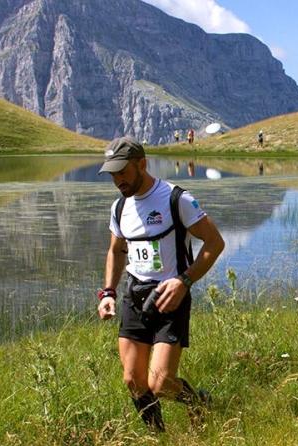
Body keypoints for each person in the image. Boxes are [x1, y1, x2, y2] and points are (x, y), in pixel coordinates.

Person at [96, 137, 225, 432]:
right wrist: (108, 292)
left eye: (123, 172)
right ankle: (159, 437)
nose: (118, 180)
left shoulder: (175, 199)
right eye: (112, 174)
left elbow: (215, 243)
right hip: (135, 296)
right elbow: (117, 251)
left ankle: (198, 403)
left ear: (142, 164)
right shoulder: (119, 207)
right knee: (133, 380)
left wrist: (184, 281)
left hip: (171, 297)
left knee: (162, 383)